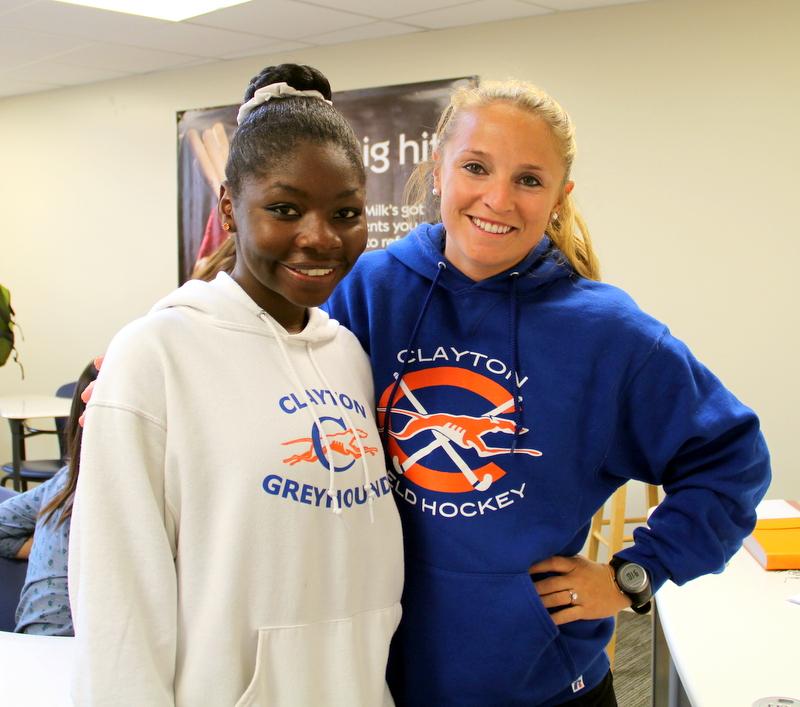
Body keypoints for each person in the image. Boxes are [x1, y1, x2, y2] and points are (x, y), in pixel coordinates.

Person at [323, 79, 771, 705]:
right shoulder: (369, 290)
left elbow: (731, 459)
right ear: (436, 172)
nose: (497, 199)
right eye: (476, 167)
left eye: (529, 180)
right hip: (376, 678)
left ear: (561, 197)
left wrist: (633, 575)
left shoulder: (607, 334)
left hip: (539, 683)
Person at [69, 64, 403, 706]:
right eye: (285, 209)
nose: (320, 238)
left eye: (345, 213)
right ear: (228, 206)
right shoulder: (157, 353)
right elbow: (118, 604)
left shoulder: (350, 356)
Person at [0, 361, 97, 636]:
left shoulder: (62, 483)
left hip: (34, 643)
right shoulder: (70, 485)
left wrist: (41, 541)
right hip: (67, 650)